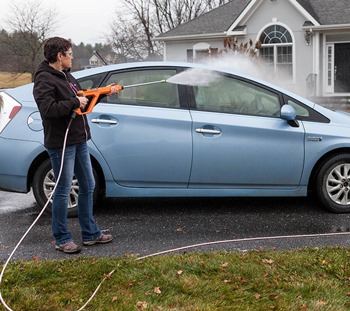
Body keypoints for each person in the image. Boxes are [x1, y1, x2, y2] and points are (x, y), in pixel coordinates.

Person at [33, 37, 119, 254]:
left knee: (88, 185)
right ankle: (62, 238)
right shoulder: (44, 79)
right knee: (63, 190)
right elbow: (48, 109)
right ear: (59, 56)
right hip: (61, 143)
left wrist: (103, 92)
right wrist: (73, 102)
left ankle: (90, 234)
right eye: (69, 54)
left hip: (79, 139)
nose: (71, 57)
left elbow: (82, 100)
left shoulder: (67, 76)